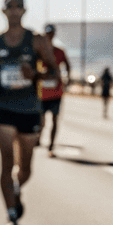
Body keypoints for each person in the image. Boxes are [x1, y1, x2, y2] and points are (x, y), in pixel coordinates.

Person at [0, 0, 59, 225]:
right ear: (3, 12)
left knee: (25, 169)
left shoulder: (36, 41)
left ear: (24, 11)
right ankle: (11, 217)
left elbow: (54, 74)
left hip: (29, 109)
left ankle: (16, 190)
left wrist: (35, 75)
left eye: (18, 7)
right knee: (6, 164)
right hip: (3, 106)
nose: (14, 11)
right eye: (9, 7)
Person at [37, 23, 71, 155]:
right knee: (41, 120)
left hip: (56, 92)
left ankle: (51, 146)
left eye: (51, 34)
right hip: (41, 93)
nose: (49, 36)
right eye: (47, 34)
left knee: (55, 119)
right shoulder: (39, 52)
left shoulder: (59, 51)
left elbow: (67, 65)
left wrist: (67, 79)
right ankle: (38, 139)